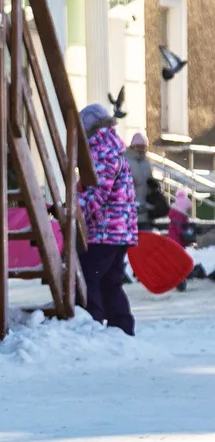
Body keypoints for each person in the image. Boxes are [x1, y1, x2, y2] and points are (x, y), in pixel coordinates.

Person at [77, 103, 139, 335]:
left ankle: (90, 326)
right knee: (109, 282)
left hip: (104, 232)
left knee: (86, 278)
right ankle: (122, 329)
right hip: (117, 231)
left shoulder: (101, 151)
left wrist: (72, 208)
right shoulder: (113, 149)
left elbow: (97, 194)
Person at [124, 133, 167, 229]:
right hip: (129, 209)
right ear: (132, 146)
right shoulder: (125, 160)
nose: (140, 149)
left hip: (146, 210)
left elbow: (149, 179)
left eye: (143, 147)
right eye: (138, 146)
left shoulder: (146, 162)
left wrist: (153, 184)